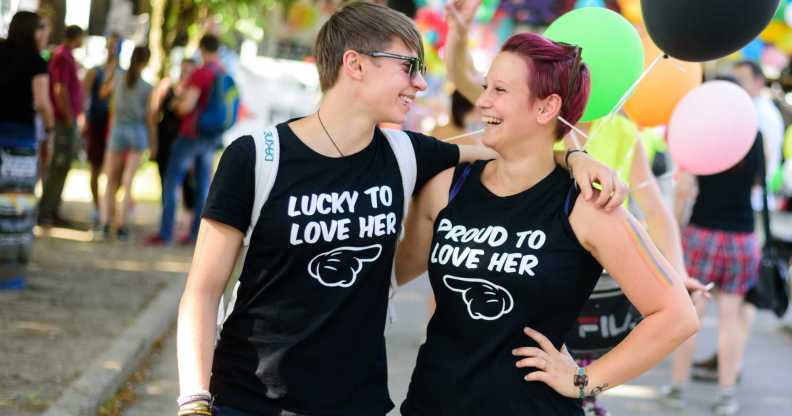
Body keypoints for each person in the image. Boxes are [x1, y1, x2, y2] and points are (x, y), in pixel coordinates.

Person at [174, 3, 625, 416]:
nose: (420, 83)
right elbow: (203, 290)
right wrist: (194, 400)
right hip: (248, 401)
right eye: (408, 66)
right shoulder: (256, 157)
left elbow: (512, 143)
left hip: (357, 404)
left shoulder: (406, 153)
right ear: (355, 64)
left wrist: (576, 157)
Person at [393, 2, 699, 414]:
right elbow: (390, 273)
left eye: (499, 91)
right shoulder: (449, 186)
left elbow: (676, 314)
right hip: (433, 402)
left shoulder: (586, 205)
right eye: (486, 87)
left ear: (545, 108)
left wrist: (584, 380)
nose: (482, 102)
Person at [663, 77, 764, 416]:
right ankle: (726, 395)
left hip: (703, 234)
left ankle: (677, 388)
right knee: (730, 317)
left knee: (693, 313)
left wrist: (673, 232)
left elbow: (683, 190)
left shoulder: (697, 135)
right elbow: (756, 183)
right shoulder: (756, 136)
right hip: (742, 237)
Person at [145, 34, 227, 246]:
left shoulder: (201, 73)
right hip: (210, 137)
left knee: (172, 182)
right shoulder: (222, 72)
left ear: (201, 49)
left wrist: (175, 105)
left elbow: (186, 106)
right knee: (203, 186)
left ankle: (166, 233)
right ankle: (196, 235)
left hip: (191, 136)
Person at [0, 11, 55, 289]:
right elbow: (42, 102)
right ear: (33, 31)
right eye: (42, 29)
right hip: (19, 142)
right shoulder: (36, 62)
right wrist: (50, 127)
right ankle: (9, 275)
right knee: (14, 206)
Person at [99, 46, 155, 240]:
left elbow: (103, 93)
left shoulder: (118, 76)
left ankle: (106, 221)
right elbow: (149, 116)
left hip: (118, 130)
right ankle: (121, 224)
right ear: (146, 62)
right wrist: (153, 141)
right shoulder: (147, 87)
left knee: (111, 179)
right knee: (128, 179)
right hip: (137, 132)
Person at [38, 24, 84, 227]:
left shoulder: (68, 56)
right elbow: (59, 89)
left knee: (64, 165)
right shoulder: (62, 57)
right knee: (58, 164)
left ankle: (53, 208)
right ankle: (45, 211)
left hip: (68, 118)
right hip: (62, 119)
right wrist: (67, 116)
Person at [151, 57, 198, 239]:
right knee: (166, 185)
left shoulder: (194, 92)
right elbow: (154, 113)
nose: (185, 73)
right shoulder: (168, 87)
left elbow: (184, 111)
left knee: (188, 186)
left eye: (189, 70)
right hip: (165, 143)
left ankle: (185, 228)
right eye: (183, 68)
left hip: (184, 146)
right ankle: (167, 225)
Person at [83, 33, 121, 228]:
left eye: (116, 46)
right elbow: (89, 95)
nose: (113, 49)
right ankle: (97, 209)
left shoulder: (123, 73)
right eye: (110, 45)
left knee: (115, 173)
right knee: (96, 168)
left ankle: (109, 210)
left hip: (115, 127)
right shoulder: (95, 71)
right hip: (97, 125)